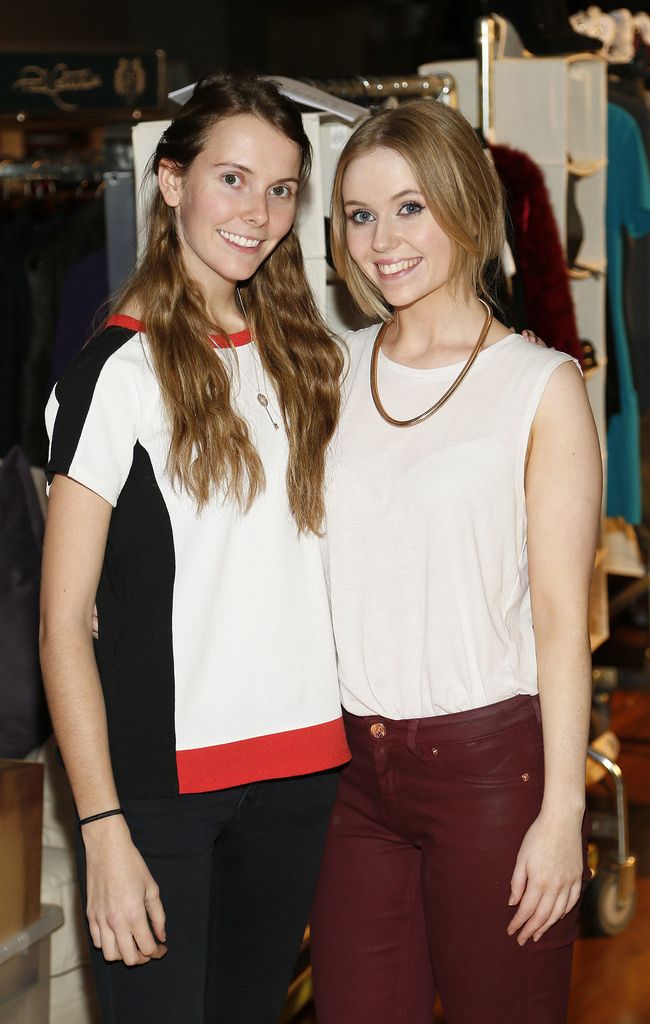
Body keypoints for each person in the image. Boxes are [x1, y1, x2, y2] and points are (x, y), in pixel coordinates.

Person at [39, 73, 350, 1024]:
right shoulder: (115, 374)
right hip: (163, 794)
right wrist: (103, 829)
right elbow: (60, 627)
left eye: (283, 188)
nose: (257, 213)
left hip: (302, 774)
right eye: (232, 178)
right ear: (170, 181)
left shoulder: (309, 355)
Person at [309, 98, 602, 1023]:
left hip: (490, 772)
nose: (382, 239)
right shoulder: (331, 374)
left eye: (410, 207)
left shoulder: (539, 386)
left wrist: (562, 815)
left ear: (465, 208)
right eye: (360, 214)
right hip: (352, 774)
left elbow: (562, 622)